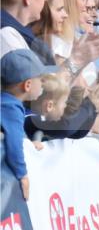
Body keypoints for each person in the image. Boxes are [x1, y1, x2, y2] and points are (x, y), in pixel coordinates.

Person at [1, 50, 59, 199]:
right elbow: (14, 145)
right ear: (27, 85)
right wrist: (23, 175)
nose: (43, 84)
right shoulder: (11, 108)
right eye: (40, 79)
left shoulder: (8, 103)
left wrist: (29, 144)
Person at [25, 72, 99, 141]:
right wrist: (89, 105)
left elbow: (78, 133)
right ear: (49, 106)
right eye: (64, 102)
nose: (65, 106)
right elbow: (66, 128)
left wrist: (94, 108)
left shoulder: (46, 120)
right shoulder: (30, 119)